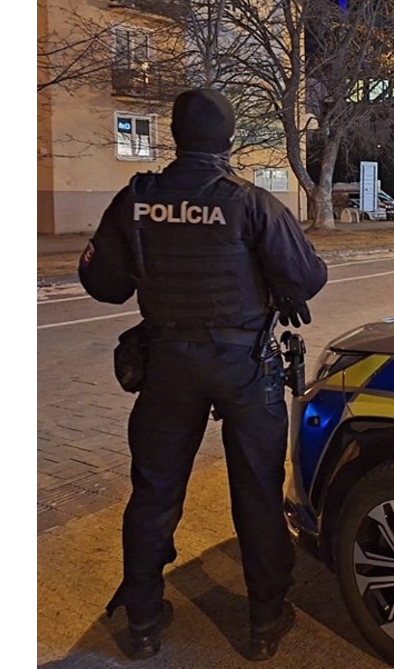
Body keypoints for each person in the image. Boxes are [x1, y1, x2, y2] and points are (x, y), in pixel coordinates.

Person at [78, 88, 329, 662]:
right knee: (258, 491)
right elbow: (308, 277)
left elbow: (104, 285)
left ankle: (142, 621)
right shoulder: (251, 203)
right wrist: (272, 285)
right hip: (243, 368)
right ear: (229, 139)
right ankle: (265, 618)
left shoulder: (137, 199)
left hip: (167, 364)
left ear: (175, 134)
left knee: (155, 492)